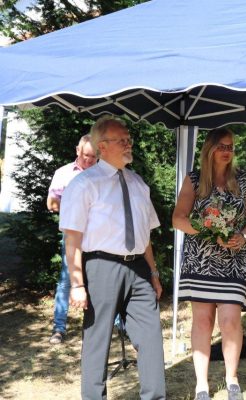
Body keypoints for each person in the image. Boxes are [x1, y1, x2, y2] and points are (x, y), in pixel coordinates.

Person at [60, 116, 166, 400]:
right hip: (101, 267)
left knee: (151, 337)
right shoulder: (84, 184)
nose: (129, 144)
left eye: (129, 139)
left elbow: (145, 235)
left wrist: (153, 273)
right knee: (98, 340)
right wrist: (77, 284)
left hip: (140, 270)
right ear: (103, 146)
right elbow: (73, 238)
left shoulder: (138, 182)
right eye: (123, 140)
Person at [173, 127, 246, 400]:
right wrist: (205, 228)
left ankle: (231, 379)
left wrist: (242, 236)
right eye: (222, 146)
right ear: (210, 149)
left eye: (231, 147)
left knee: (230, 320)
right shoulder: (194, 180)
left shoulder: (244, 180)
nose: (227, 151)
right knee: (202, 320)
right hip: (199, 262)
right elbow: (178, 218)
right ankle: (202, 385)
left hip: (233, 262)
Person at [47, 134, 97, 344]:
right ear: (78, 151)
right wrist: (74, 206)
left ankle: (116, 324)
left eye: (93, 157)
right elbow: (51, 204)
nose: (88, 160)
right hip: (72, 236)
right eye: (85, 155)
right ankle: (59, 329)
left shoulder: (102, 174)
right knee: (67, 279)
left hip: (98, 237)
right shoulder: (64, 173)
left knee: (102, 279)